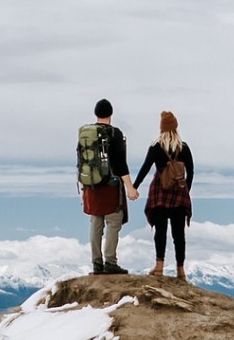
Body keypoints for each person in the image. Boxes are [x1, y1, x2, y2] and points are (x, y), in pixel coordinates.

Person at [133, 110, 194, 281]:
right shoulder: (184, 147)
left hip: (159, 194)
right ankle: (180, 271)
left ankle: (159, 267)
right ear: (176, 127)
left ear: (161, 128)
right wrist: (185, 190)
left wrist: (134, 187)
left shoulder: (155, 146)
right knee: (179, 234)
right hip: (179, 195)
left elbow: (145, 168)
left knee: (160, 231)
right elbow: (191, 171)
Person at [79, 98, 138, 274]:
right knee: (113, 221)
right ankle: (110, 262)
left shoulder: (85, 134)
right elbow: (120, 164)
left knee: (96, 222)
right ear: (111, 114)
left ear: (96, 114)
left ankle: (96, 263)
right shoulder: (115, 134)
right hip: (110, 186)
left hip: (91, 185)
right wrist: (130, 187)